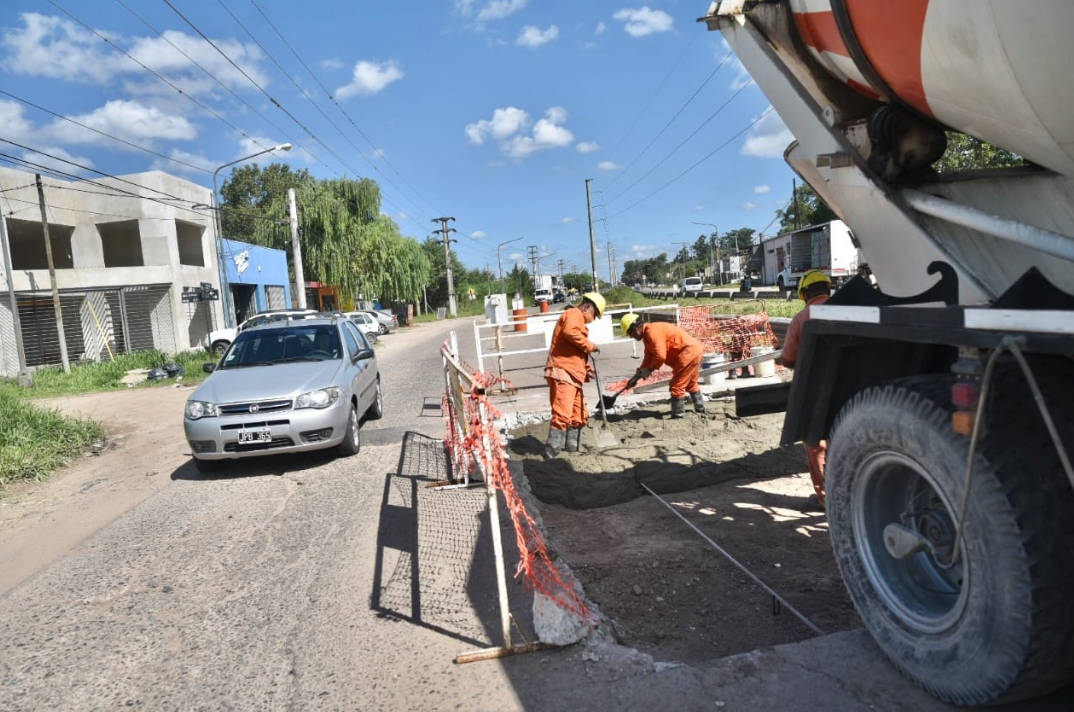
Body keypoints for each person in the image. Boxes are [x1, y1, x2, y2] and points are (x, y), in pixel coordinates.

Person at [779, 269, 832, 509]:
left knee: (816, 444)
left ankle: (826, 499)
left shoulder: (802, 318)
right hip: (859, 391)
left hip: (817, 391)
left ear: (806, 292)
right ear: (828, 288)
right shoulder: (857, 311)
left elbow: (788, 360)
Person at [543, 292, 606, 458]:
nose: (594, 319)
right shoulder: (574, 314)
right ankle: (552, 454)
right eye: (595, 315)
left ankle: (572, 451)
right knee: (562, 414)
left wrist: (586, 368)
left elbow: (575, 350)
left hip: (573, 375)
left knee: (578, 415)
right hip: (563, 372)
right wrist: (590, 345)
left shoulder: (579, 321)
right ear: (587, 307)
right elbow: (570, 333)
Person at [620, 313, 705, 418]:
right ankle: (700, 410)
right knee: (691, 383)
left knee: (677, 386)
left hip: (688, 353)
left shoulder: (652, 332)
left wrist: (650, 369)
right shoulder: (648, 336)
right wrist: (636, 377)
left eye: (630, 334)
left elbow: (660, 356)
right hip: (693, 352)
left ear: (635, 329)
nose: (631, 337)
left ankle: (678, 416)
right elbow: (648, 358)